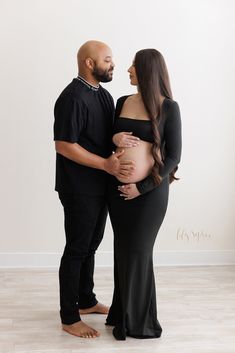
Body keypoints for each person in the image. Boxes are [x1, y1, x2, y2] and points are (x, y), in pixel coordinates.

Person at [53, 40, 136, 339]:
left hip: (101, 186)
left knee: (91, 244)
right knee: (77, 248)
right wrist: (105, 165)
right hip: (78, 188)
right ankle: (69, 316)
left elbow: (102, 136)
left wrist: (116, 143)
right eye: (108, 60)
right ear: (89, 63)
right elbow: (64, 145)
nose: (113, 64)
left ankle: (85, 300)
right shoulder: (72, 97)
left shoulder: (104, 96)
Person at [106, 48, 182, 340]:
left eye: (133, 66)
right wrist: (114, 137)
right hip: (118, 190)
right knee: (122, 251)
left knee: (138, 251)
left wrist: (143, 186)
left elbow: (174, 156)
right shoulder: (122, 101)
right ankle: (120, 313)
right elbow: (109, 138)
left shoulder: (168, 107)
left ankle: (139, 323)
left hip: (149, 194)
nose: (128, 70)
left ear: (147, 70)